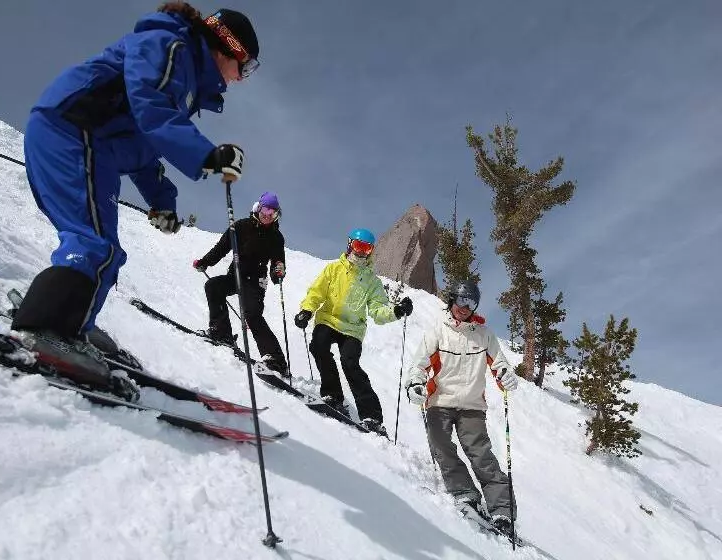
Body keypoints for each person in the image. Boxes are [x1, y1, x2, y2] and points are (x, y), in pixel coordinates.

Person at [9, 3, 260, 386]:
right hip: (75, 134)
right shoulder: (170, 44)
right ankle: (47, 328)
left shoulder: (184, 77)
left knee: (105, 246)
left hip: (94, 146)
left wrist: (163, 202)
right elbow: (151, 108)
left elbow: (145, 147)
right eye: (246, 66)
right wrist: (207, 156)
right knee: (95, 245)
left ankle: (74, 324)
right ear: (228, 47)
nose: (242, 78)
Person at [403, 279, 519, 537]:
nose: (465, 307)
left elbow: (499, 365)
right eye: (461, 301)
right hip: (439, 402)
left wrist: (505, 376)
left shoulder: (485, 335)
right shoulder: (438, 331)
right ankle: (465, 493)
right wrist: (415, 383)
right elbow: (419, 363)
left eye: (471, 303)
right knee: (442, 448)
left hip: (471, 406)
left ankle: (502, 510)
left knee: (481, 456)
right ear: (452, 300)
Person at [294, 228, 414, 435]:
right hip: (329, 319)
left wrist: (396, 311)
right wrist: (307, 310)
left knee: (350, 362)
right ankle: (333, 395)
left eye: (366, 249)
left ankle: (372, 416)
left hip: (353, 329)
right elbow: (317, 292)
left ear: (371, 252)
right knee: (318, 346)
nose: (361, 252)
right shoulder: (334, 270)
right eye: (358, 246)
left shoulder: (372, 281)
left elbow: (378, 311)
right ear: (350, 245)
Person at [193, 192, 289, 377]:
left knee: (252, 314)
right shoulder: (240, 227)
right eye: (264, 211)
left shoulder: (276, 237)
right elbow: (221, 248)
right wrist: (205, 261)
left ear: (277, 215)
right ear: (258, 208)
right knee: (213, 287)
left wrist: (278, 272)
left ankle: (276, 360)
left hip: (255, 282)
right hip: (236, 275)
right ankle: (222, 333)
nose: (267, 217)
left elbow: (278, 262)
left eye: (272, 214)